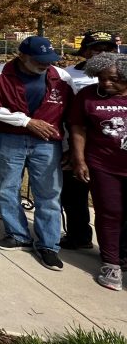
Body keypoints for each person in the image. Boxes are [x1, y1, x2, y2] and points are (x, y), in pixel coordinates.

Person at [0, 36, 74, 270]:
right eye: (39, 60)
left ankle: (48, 245)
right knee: (7, 188)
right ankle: (18, 233)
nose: (45, 64)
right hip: (10, 138)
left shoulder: (60, 76)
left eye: (49, 60)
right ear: (22, 55)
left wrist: (69, 147)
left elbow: (72, 116)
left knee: (49, 194)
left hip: (47, 142)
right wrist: (25, 122)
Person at [69, 52, 127, 290]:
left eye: (113, 79)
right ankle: (111, 263)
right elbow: (78, 127)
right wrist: (79, 159)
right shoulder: (88, 95)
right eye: (101, 78)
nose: (105, 83)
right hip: (103, 164)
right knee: (109, 212)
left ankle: (123, 253)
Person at [61, 31, 118, 250]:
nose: (103, 53)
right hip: (75, 145)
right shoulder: (67, 75)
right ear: (84, 51)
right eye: (97, 48)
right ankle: (79, 236)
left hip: (113, 148)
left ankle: (117, 248)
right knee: (74, 197)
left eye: (108, 48)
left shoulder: (124, 74)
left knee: (114, 203)